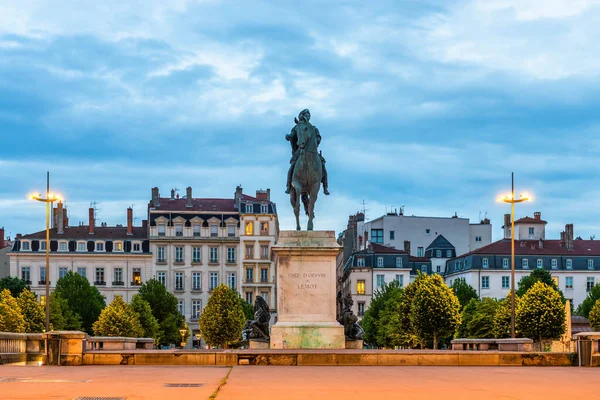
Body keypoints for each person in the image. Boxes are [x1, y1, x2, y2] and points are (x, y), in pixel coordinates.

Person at [285, 109, 329, 195]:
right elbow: (292, 135)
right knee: (293, 165)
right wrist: (289, 136)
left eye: (309, 115)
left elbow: (318, 137)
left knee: (322, 164)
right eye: (306, 115)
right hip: (300, 150)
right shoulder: (297, 127)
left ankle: (325, 186)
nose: (308, 117)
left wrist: (316, 141)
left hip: (312, 151)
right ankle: (288, 185)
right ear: (302, 116)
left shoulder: (313, 128)